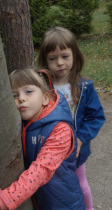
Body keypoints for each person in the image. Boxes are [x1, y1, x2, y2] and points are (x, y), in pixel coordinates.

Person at [0, 69, 85, 209]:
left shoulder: (60, 129)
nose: (21, 98)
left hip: (62, 203)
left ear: (45, 98)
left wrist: (7, 200)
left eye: (28, 91)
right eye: (14, 95)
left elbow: (41, 170)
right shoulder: (24, 122)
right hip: (39, 201)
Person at [38, 26, 106, 210]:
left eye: (65, 56)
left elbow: (96, 117)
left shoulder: (84, 87)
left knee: (79, 183)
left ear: (74, 55)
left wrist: (81, 139)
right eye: (53, 58)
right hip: (48, 147)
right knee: (50, 185)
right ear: (45, 60)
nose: (60, 63)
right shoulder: (42, 88)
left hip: (74, 150)